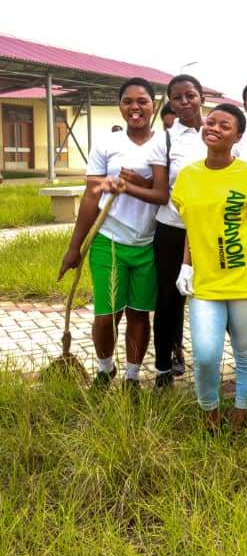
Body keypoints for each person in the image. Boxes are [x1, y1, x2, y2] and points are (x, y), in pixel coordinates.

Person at [172, 103, 247, 430]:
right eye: (211, 122)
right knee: (206, 354)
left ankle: (240, 415)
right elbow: (193, 227)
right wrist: (185, 266)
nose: (215, 128)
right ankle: (210, 414)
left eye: (225, 125)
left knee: (246, 351)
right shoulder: (188, 176)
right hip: (206, 281)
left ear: (237, 136)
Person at [58, 77, 169, 389]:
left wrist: (136, 185)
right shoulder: (106, 144)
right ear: (120, 106)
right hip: (109, 240)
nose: (135, 107)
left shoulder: (164, 143)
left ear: (153, 105)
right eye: (127, 101)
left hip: (149, 243)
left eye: (142, 101)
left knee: (139, 314)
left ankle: (132, 377)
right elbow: (91, 196)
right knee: (106, 315)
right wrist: (74, 247)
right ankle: (105, 370)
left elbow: (167, 192)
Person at [151, 74, 207, 387]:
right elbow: (159, 186)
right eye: (177, 97)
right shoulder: (166, 139)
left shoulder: (217, 130)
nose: (184, 102)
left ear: (201, 97)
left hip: (211, 230)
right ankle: (164, 366)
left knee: (212, 295)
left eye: (190, 95)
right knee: (169, 298)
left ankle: (213, 364)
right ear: (170, 102)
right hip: (172, 229)